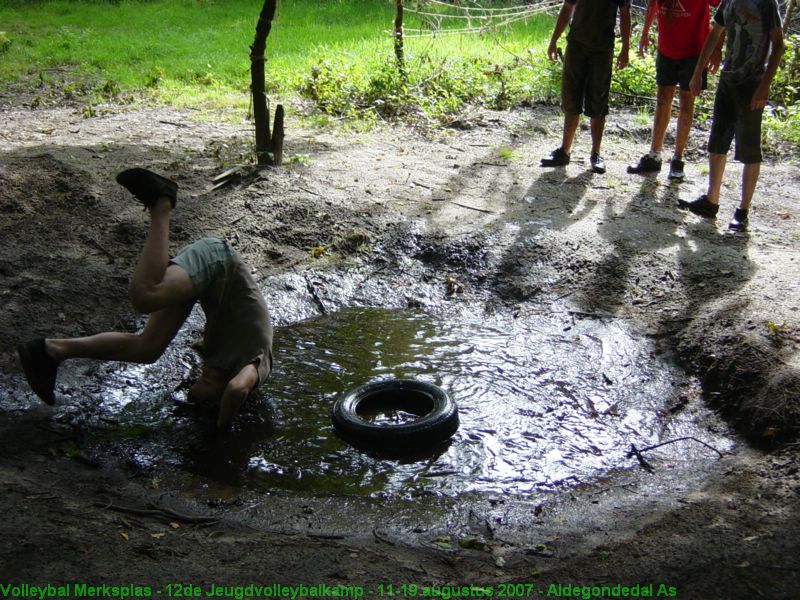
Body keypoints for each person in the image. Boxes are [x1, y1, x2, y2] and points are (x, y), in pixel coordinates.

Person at [16, 168, 274, 429]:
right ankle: (162, 202)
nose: (201, 377)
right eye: (205, 383)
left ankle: (51, 351)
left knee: (147, 349)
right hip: (219, 263)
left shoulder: (219, 365)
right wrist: (222, 430)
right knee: (145, 296)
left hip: (209, 286)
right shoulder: (254, 367)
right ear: (222, 392)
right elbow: (237, 391)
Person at [678, 0, 784, 231]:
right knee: (717, 143)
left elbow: (778, 45)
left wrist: (764, 86)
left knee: (749, 149)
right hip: (728, 80)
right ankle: (711, 200)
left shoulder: (767, 4)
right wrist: (698, 71)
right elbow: (715, 33)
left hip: (752, 83)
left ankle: (742, 212)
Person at [628, 0, 722, 180]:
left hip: (694, 52)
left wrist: (717, 47)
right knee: (663, 99)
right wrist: (645, 32)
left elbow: (723, 9)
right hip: (666, 48)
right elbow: (653, 4)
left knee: (687, 102)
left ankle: (678, 158)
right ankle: (654, 155)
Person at [540, 0, 631, 174]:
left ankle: (596, 154)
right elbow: (567, 8)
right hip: (576, 45)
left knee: (598, 100)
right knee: (571, 98)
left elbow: (625, 13)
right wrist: (554, 40)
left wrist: (625, 48)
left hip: (602, 49)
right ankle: (564, 151)